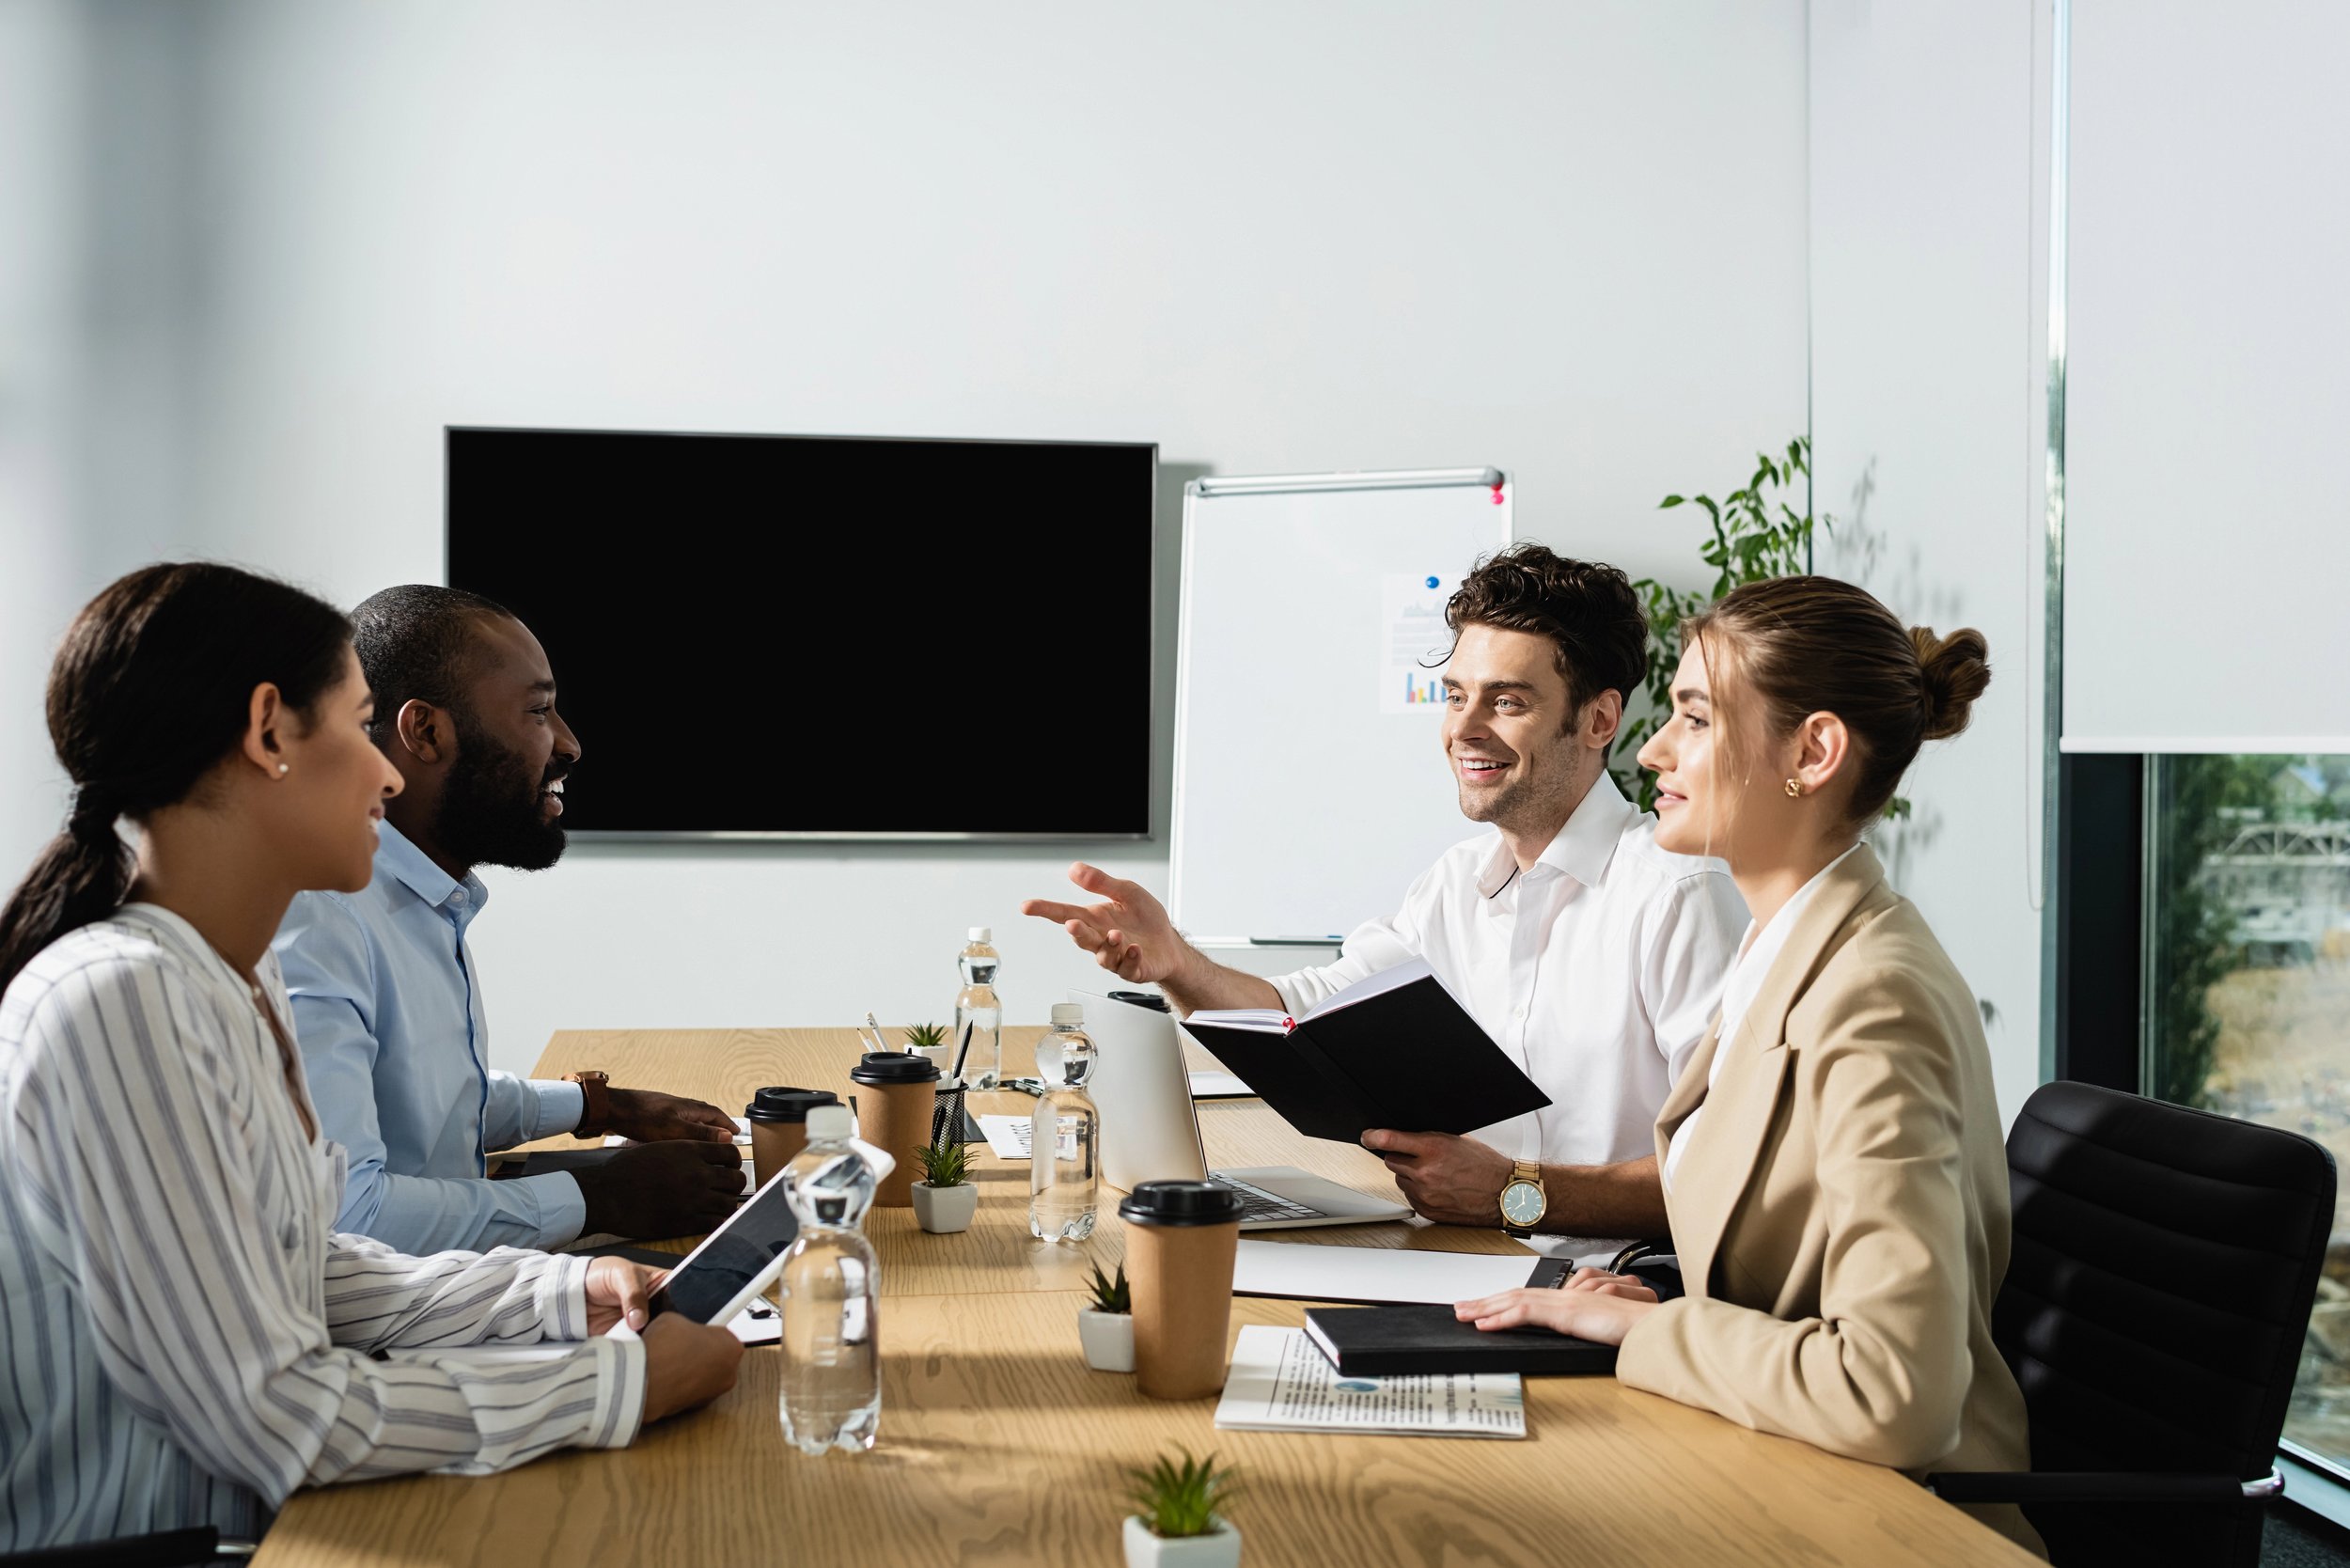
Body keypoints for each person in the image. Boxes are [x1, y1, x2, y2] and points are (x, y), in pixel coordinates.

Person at [0, 564, 744, 1554]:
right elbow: (274, 1417)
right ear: (270, 734)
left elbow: (299, 1267)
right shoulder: (123, 1000)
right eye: (359, 728)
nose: (388, 775)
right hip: (195, 1546)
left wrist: (559, 1292)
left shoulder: (222, 978)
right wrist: (613, 1386)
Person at [1452, 574, 2041, 1554]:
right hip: (1774, 1464)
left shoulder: (1871, 997)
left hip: (1890, 1522)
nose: (1651, 750)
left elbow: (1892, 1395)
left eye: (1692, 717)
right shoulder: (1786, 951)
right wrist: (1662, 1304)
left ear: (1810, 752)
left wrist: (1651, 1333)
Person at [1024, 544, 1746, 1250]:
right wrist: (1176, 963)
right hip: (1465, 1258)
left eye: (1508, 701)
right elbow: (1301, 1018)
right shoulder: (1454, 884)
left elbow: (1732, 1175)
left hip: (1621, 1282)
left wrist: (1511, 1193)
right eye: (1457, 696)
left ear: (1598, 720)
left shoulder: (1680, 897)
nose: (1464, 729)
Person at [273, 585, 743, 1253]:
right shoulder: (322, 920)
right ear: (425, 732)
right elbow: (349, 1219)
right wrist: (599, 1196)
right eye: (539, 712)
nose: (570, 745)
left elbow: (433, 1105)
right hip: (397, 1330)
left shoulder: (426, 897)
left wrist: (603, 1108)